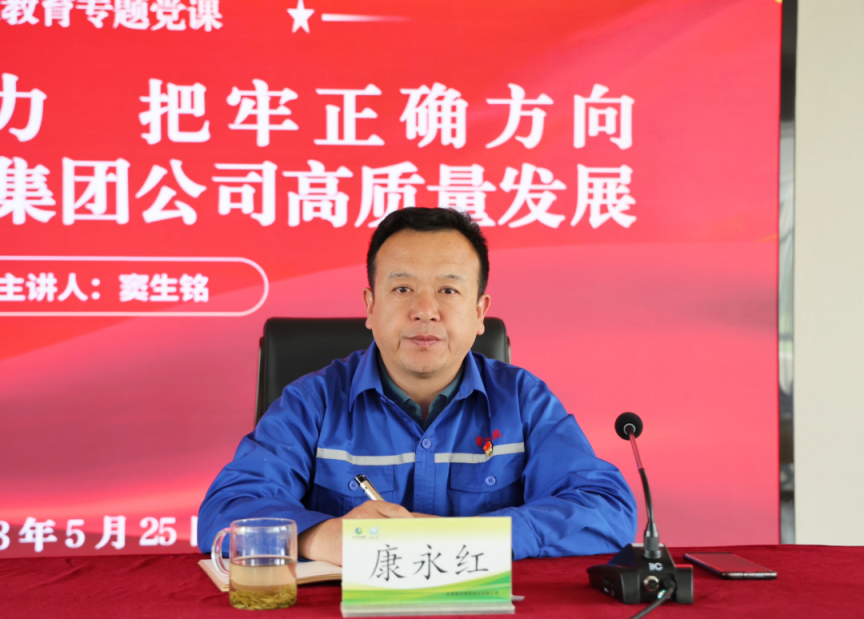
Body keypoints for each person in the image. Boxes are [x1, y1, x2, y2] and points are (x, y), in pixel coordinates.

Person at [198, 208, 636, 564]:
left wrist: (473, 538)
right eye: (403, 288)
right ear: (371, 306)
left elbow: (608, 509)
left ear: (480, 312)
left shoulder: (522, 401)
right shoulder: (312, 403)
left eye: (448, 291)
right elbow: (225, 511)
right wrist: (323, 537)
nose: (425, 310)